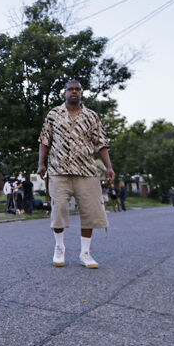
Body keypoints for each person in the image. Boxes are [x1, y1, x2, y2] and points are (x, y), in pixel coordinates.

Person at [37, 79, 115, 269]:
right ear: (64, 93)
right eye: (70, 89)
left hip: (86, 171)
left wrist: (109, 167)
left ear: (81, 93)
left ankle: (85, 253)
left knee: (89, 211)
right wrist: (41, 163)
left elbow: (101, 143)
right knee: (59, 208)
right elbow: (45, 140)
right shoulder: (54, 114)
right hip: (58, 170)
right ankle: (59, 247)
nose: (74, 92)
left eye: (77, 89)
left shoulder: (91, 116)